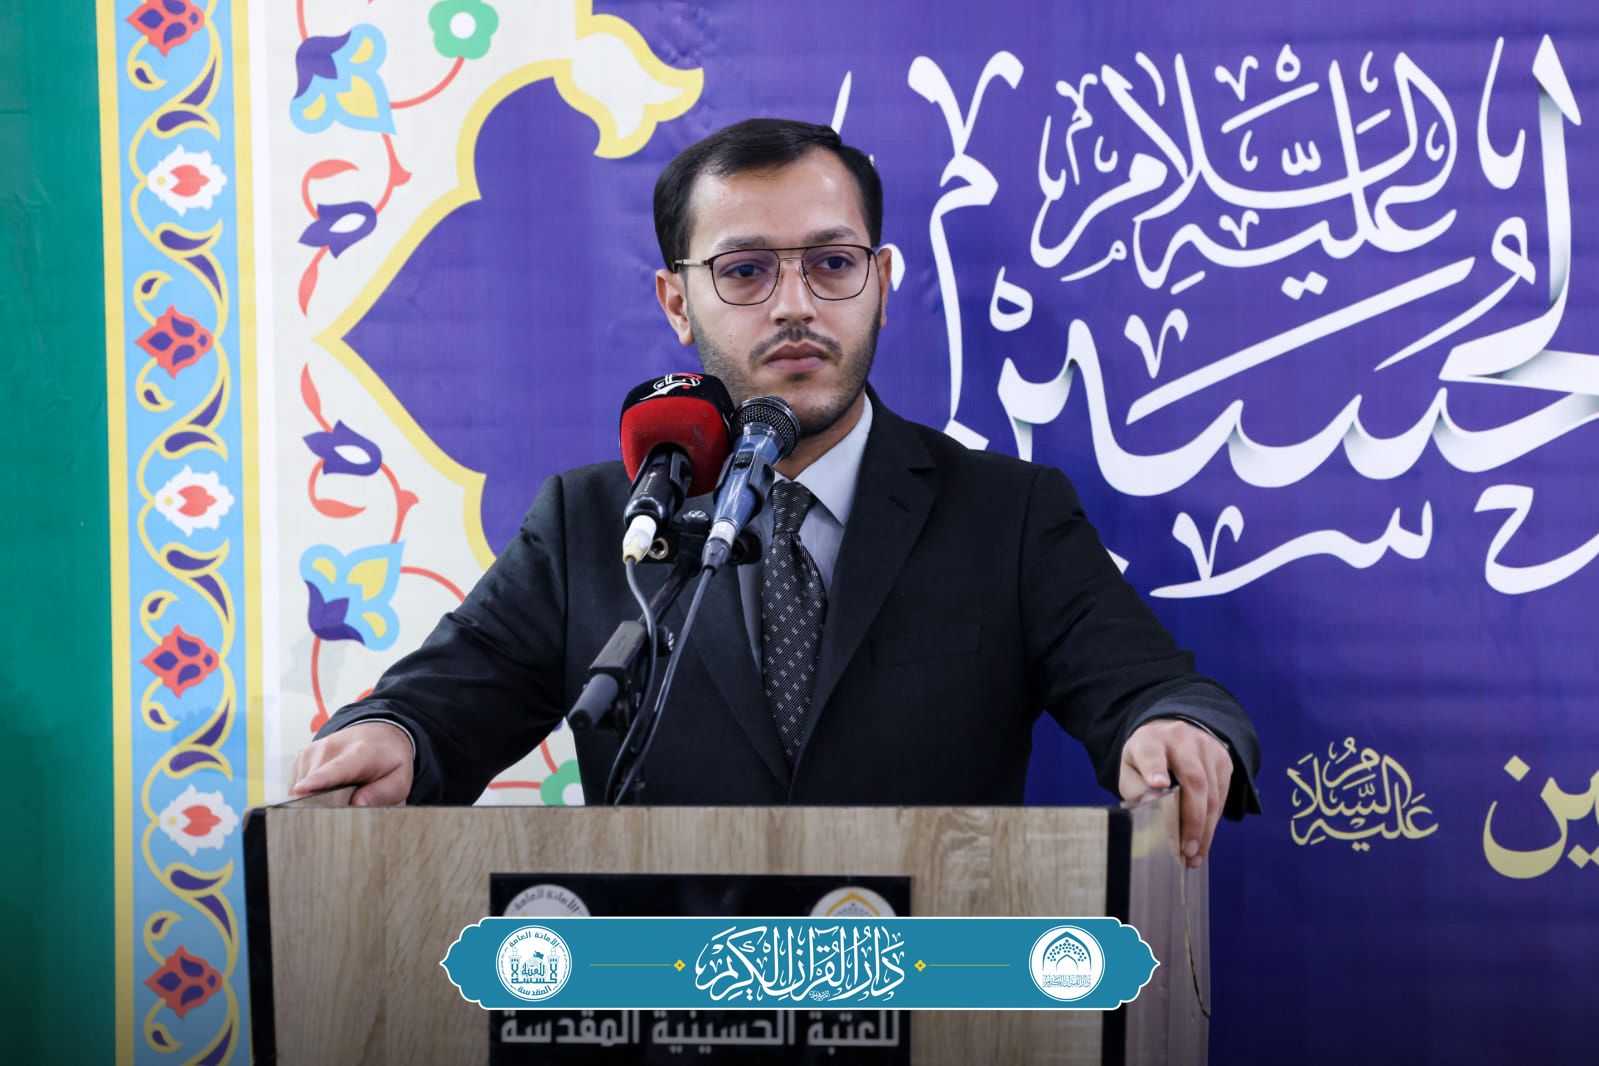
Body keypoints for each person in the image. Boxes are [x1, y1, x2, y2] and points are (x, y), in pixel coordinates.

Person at [293, 118, 1261, 867]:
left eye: (832, 264)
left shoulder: (1007, 516)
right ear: (677, 302)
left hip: (936, 993)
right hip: (668, 1004)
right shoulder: (592, 522)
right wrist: (393, 733)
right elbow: (438, 706)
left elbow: (1154, 687)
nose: (795, 304)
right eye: (746, 271)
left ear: (881, 283)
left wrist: (1174, 728)